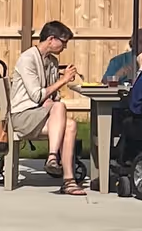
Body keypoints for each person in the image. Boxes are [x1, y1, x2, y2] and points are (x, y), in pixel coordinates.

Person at [9, 19, 87, 194]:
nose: (65, 47)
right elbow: (37, 95)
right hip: (23, 117)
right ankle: (52, 157)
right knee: (59, 107)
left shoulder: (51, 62)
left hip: (42, 115)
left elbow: (52, 96)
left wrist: (55, 92)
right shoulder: (27, 59)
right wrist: (63, 81)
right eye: (64, 42)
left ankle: (69, 181)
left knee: (71, 124)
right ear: (51, 39)